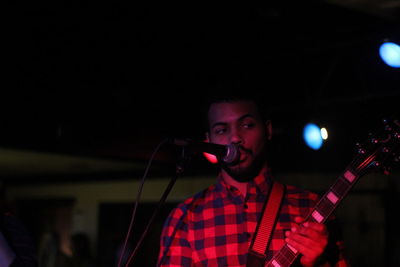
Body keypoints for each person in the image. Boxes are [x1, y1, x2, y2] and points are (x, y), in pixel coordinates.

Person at [157, 93, 351, 266]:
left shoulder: (312, 207)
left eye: (247, 125)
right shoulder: (184, 217)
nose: (235, 138)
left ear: (267, 130)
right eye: (222, 130)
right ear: (209, 141)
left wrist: (317, 263)